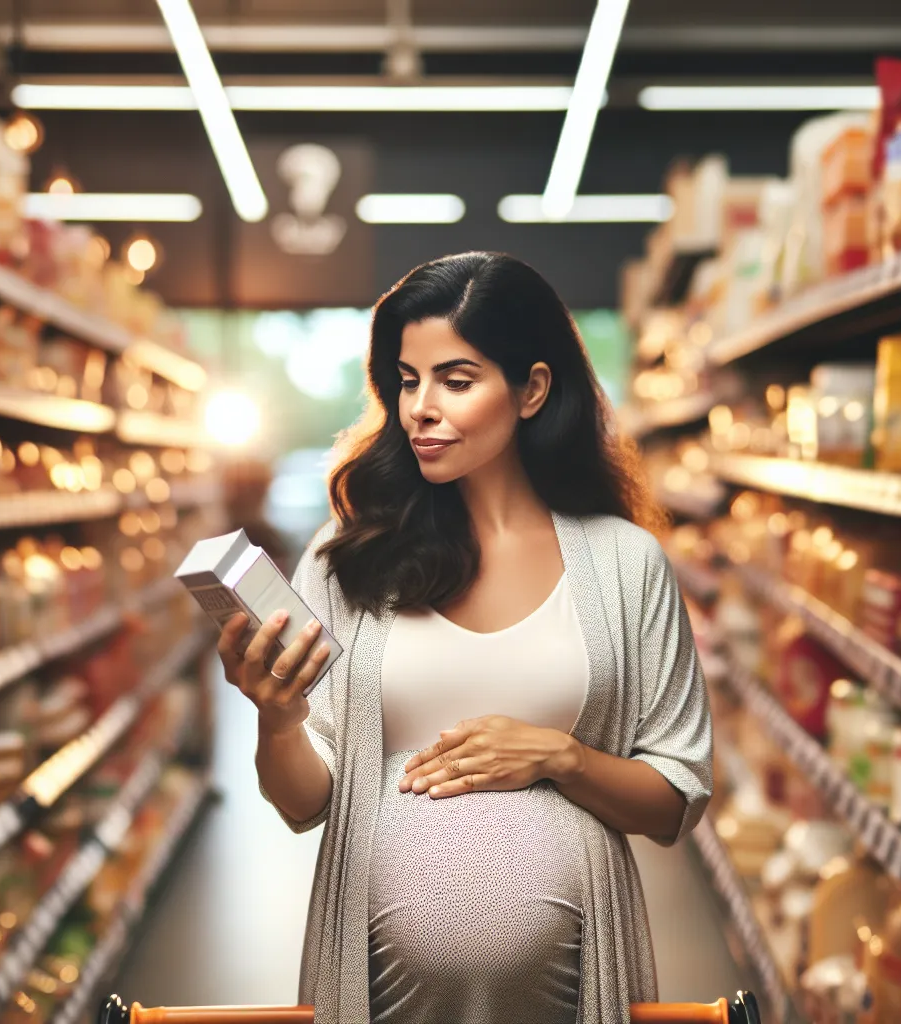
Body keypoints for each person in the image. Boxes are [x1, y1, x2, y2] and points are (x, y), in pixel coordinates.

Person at [215, 252, 714, 1024]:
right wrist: (277, 719)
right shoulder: (347, 559)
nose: (420, 407)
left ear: (532, 389)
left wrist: (562, 758)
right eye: (407, 380)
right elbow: (303, 804)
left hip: (577, 994)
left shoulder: (626, 563)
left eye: (455, 380)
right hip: (378, 995)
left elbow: (675, 799)